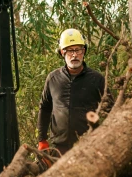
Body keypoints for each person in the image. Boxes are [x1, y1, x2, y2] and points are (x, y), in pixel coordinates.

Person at [37, 28, 105, 157]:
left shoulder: (97, 79)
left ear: (83, 51)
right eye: (70, 50)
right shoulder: (53, 78)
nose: (74, 55)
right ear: (62, 52)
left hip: (89, 145)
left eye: (78, 50)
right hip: (59, 147)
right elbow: (44, 108)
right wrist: (42, 140)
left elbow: (110, 109)